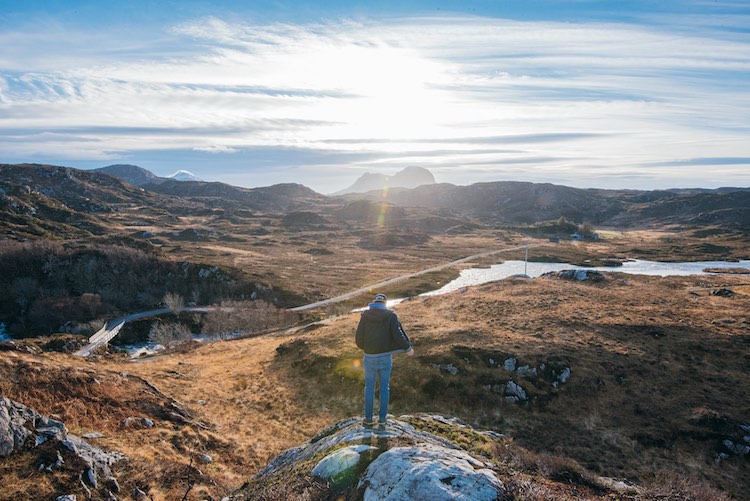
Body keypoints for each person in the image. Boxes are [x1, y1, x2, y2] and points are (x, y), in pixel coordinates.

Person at [355, 293, 414, 427]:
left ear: (373, 303)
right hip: (385, 357)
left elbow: (358, 338)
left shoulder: (365, 316)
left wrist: (367, 348)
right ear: (385, 304)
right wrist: (408, 348)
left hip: (369, 357)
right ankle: (382, 420)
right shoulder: (391, 316)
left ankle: (368, 420)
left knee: (369, 388)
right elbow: (398, 334)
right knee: (384, 388)